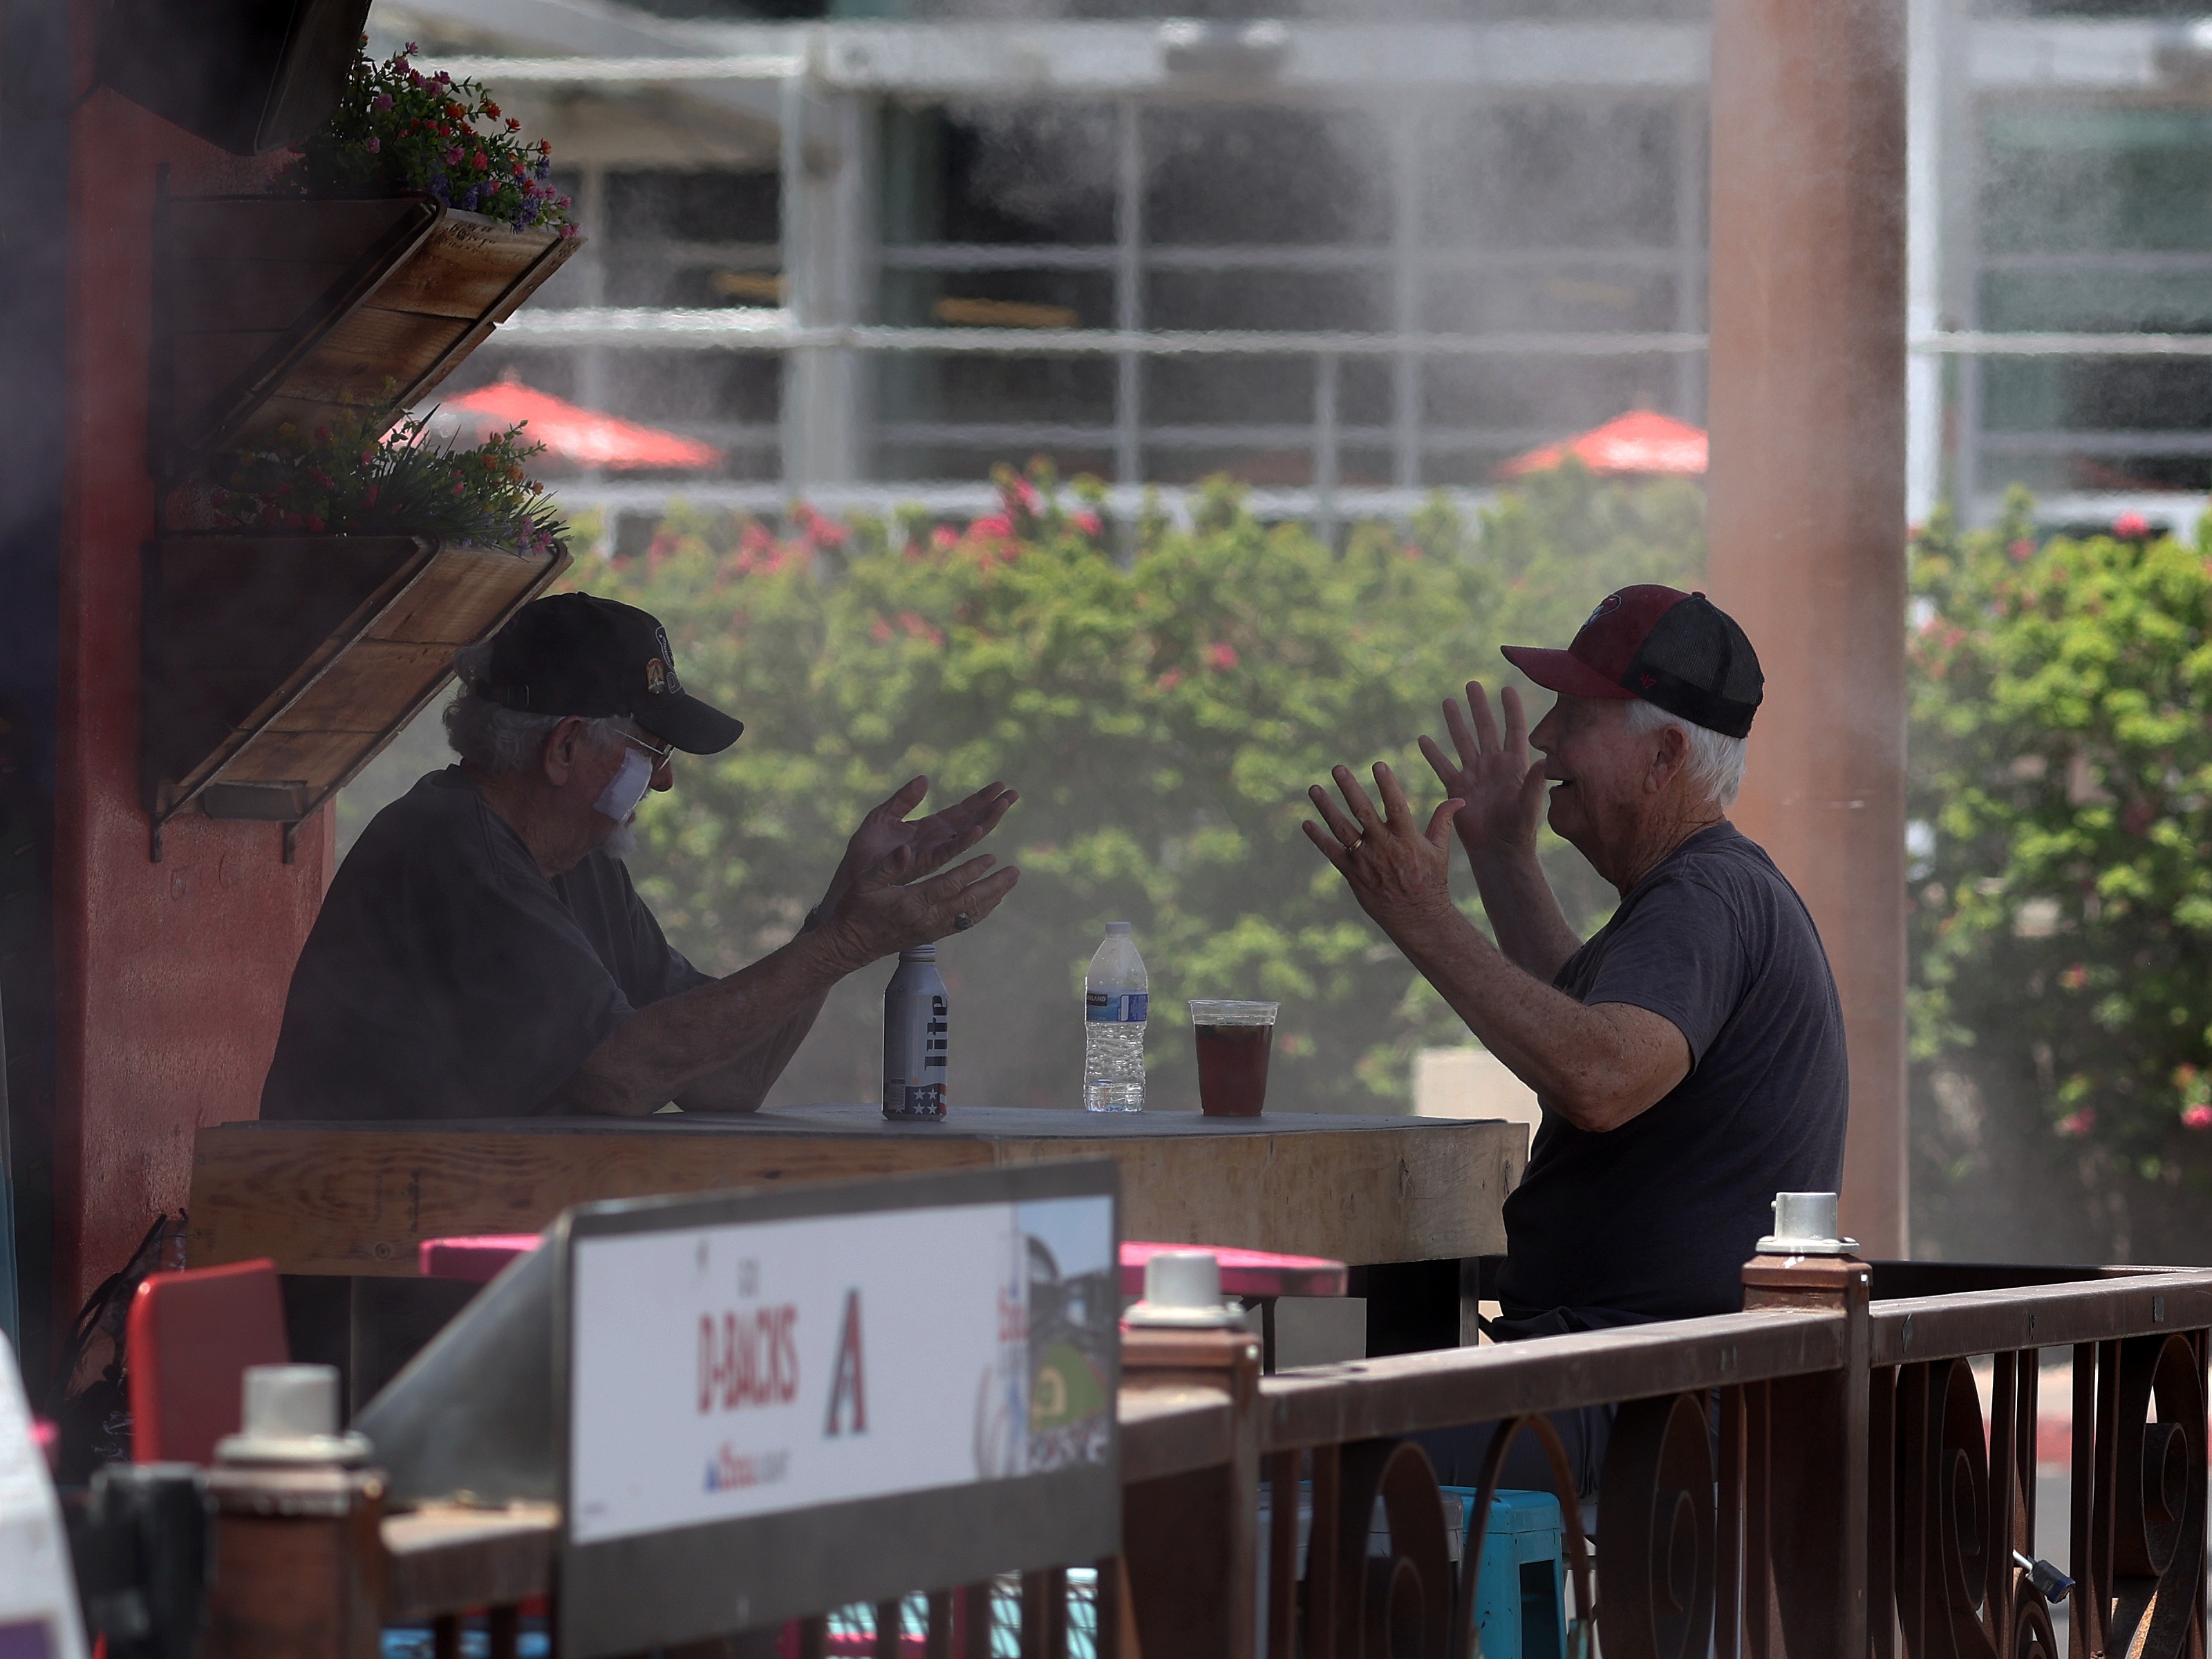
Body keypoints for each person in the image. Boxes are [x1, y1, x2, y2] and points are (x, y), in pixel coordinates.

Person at [1304, 584, 1846, 1492]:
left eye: (1577, 715)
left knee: (1294, 1454)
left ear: (1662, 755)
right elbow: (1583, 1017)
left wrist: (1421, 916)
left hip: (1644, 1398)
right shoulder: (1709, 891)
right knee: (1320, 1438)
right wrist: (1503, 858)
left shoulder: (1703, 895)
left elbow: (1599, 1078)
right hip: (1632, 1384)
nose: (1546, 741)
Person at [261, 593, 1020, 1121]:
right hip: (372, 1295)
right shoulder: (449, 848)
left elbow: (726, 1077)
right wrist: (845, 943)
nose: (664, 778)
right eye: (648, 750)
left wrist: (841, 912)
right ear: (563, 748)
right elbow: (617, 1076)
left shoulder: (577, 862)